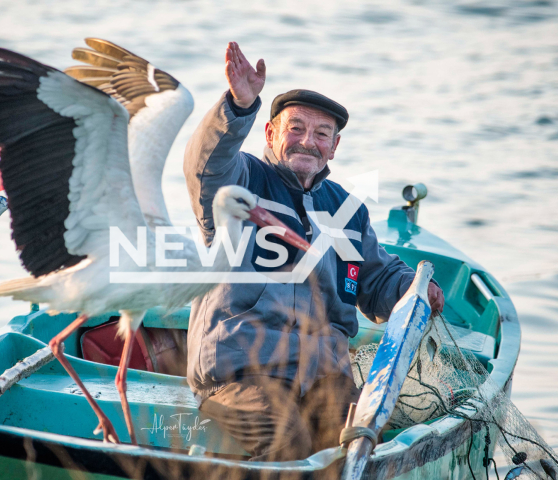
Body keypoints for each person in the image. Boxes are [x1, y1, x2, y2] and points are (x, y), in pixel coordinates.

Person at [183, 42, 444, 461]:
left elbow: (375, 281)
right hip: (243, 375)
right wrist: (237, 106)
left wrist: (411, 288)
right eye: (296, 128)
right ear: (270, 134)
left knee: (361, 446)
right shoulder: (242, 181)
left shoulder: (346, 210)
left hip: (324, 376)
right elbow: (205, 165)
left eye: (322, 134)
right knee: (288, 443)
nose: (308, 142)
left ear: (334, 147)